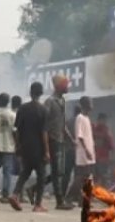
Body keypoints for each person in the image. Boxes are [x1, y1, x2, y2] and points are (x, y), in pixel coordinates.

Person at [11, 81, 50, 212]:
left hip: (25, 147)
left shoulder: (22, 108)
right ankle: (38, 204)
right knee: (41, 176)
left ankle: (15, 194)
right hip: (38, 149)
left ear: (30, 92)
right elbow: (44, 132)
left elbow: (16, 130)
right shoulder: (43, 110)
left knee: (25, 173)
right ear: (41, 93)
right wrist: (47, 151)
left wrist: (17, 146)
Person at [44, 75, 71, 209]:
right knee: (58, 172)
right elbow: (44, 124)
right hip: (53, 140)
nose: (68, 87)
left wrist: (71, 138)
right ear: (59, 86)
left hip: (60, 139)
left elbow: (62, 123)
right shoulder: (49, 101)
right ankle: (59, 202)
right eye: (65, 84)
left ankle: (33, 188)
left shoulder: (62, 101)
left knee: (59, 171)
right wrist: (46, 146)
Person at [72, 96, 96, 198]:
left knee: (86, 176)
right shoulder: (80, 118)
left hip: (89, 151)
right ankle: (70, 196)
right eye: (90, 103)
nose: (92, 105)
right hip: (83, 153)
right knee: (81, 176)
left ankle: (82, 199)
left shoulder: (87, 118)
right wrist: (86, 151)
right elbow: (80, 136)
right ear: (85, 105)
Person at [92, 111, 115, 187]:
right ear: (100, 119)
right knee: (101, 178)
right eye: (104, 120)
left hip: (99, 159)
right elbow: (112, 146)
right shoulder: (105, 130)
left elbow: (112, 145)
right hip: (99, 159)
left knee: (100, 178)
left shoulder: (95, 130)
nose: (105, 122)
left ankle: (100, 194)